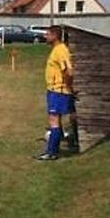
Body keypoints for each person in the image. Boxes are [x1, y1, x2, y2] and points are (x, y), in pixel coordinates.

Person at [36, 25, 75, 161]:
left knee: (54, 121)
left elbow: (69, 72)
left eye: (47, 34)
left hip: (58, 91)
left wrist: (66, 85)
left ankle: (52, 152)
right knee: (56, 120)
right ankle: (55, 148)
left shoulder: (61, 50)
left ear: (55, 36)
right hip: (54, 91)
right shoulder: (56, 49)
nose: (45, 37)